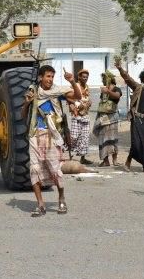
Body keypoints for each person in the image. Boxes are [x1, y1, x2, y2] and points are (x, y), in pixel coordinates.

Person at [22, 64, 82, 217]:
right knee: (34, 169)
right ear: (41, 77)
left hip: (52, 136)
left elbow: (78, 97)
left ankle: (61, 198)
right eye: (48, 76)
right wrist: (27, 103)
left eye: (52, 77)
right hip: (35, 134)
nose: (50, 79)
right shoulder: (33, 91)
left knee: (56, 170)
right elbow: (23, 115)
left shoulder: (57, 92)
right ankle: (40, 204)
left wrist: (72, 81)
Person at [115, 58, 144, 174]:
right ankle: (128, 162)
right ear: (143, 79)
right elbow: (128, 79)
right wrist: (120, 69)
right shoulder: (138, 88)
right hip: (137, 120)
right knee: (136, 143)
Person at [93, 71, 123, 167]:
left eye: (105, 78)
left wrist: (108, 91)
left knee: (113, 140)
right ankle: (105, 160)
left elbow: (117, 96)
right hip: (103, 117)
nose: (103, 80)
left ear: (110, 79)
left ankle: (114, 160)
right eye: (103, 79)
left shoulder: (116, 89)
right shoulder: (104, 90)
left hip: (112, 118)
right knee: (102, 139)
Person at [67, 69, 93, 165]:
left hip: (85, 114)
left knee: (85, 136)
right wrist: (77, 104)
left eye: (87, 77)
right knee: (74, 136)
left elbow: (86, 98)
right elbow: (68, 97)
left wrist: (89, 102)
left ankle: (83, 158)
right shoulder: (75, 86)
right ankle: (71, 157)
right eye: (83, 77)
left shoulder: (87, 87)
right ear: (79, 77)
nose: (85, 78)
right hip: (76, 114)